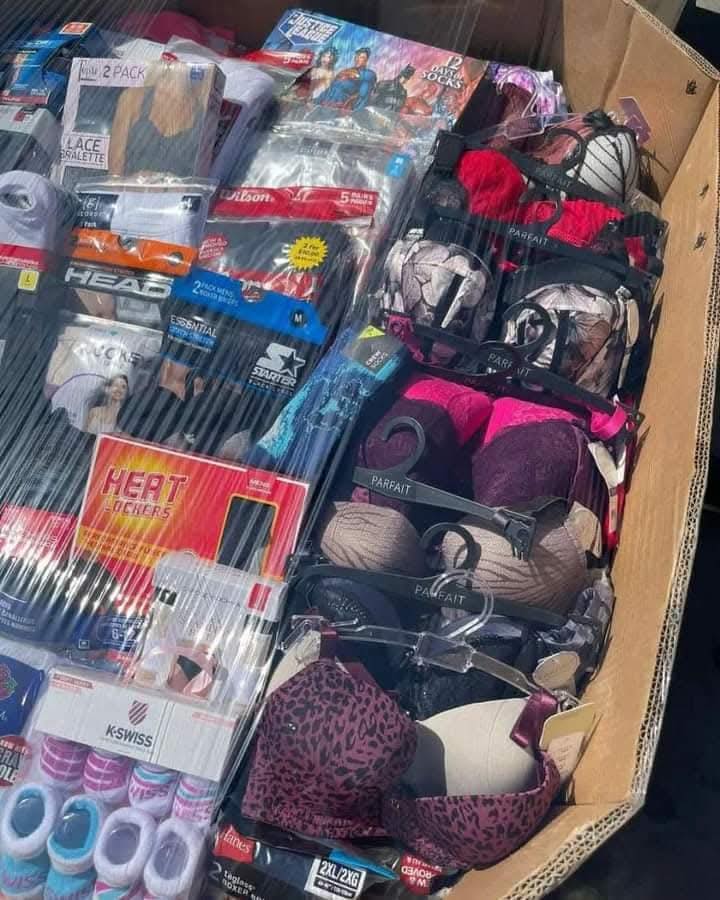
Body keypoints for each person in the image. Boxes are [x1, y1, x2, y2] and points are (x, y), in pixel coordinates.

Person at [108, 63, 206, 177]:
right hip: (133, 187)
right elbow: (115, 171)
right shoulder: (132, 98)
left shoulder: (201, 114)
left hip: (177, 188)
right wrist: (131, 183)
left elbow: (200, 175)